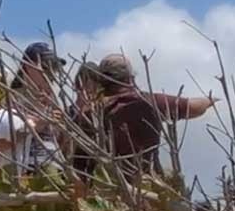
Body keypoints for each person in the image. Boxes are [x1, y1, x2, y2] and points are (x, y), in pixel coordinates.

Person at [70, 53, 216, 182]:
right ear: (130, 77)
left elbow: (80, 166)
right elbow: (193, 108)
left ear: (102, 80)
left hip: (109, 190)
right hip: (149, 183)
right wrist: (211, 100)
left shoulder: (90, 113)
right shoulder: (150, 101)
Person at [0, 42, 66, 176]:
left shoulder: (53, 103)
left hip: (53, 175)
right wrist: (34, 127)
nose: (51, 74)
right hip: (19, 177)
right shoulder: (5, 101)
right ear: (28, 67)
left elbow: (60, 145)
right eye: (46, 67)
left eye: (54, 69)